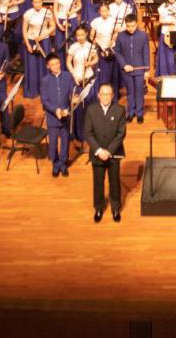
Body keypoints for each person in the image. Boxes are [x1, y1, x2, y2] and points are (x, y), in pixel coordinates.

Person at [85, 84, 127, 222]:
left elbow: (121, 134)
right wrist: (98, 150)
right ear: (98, 95)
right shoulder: (91, 110)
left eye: (108, 94)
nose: (105, 97)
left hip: (113, 154)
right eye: (103, 94)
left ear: (113, 96)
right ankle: (98, 208)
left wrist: (108, 151)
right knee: (98, 182)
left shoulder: (120, 110)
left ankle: (115, 208)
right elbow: (88, 133)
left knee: (114, 182)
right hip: (97, 154)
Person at [40, 53, 75, 177]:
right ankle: (55, 165)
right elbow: (44, 100)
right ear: (48, 66)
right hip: (52, 117)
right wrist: (55, 110)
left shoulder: (68, 76)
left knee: (65, 142)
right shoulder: (45, 81)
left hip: (65, 115)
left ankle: (63, 164)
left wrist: (75, 98)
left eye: (57, 63)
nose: (56, 66)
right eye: (53, 65)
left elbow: (72, 91)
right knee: (53, 144)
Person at [66, 25, 99, 143]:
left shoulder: (91, 46)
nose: (80, 37)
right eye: (78, 35)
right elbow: (68, 62)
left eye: (82, 35)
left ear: (86, 34)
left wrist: (90, 63)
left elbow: (96, 59)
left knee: (89, 108)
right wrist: (73, 74)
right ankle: (78, 134)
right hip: (77, 79)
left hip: (88, 79)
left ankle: (90, 134)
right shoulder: (73, 47)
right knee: (78, 108)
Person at [114, 14, 149, 124]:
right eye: (128, 26)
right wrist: (124, 65)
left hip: (140, 68)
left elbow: (146, 52)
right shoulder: (121, 36)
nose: (130, 29)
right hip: (127, 70)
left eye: (133, 26)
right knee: (130, 91)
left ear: (136, 24)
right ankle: (130, 112)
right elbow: (117, 51)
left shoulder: (143, 35)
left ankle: (139, 113)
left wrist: (147, 69)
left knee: (139, 91)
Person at [22, 0, 55, 99]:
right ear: (32, 3)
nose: (37, 4)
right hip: (32, 41)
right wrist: (27, 44)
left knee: (44, 65)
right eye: (35, 2)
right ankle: (33, 90)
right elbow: (24, 30)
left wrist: (43, 35)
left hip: (44, 42)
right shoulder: (28, 13)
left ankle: (45, 90)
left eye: (39, 2)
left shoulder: (47, 12)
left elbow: (52, 26)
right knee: (32, 66)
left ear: (42, 2)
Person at [52, 0, 82, 67]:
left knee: (72, 43)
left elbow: (80, 6)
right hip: (61, 20)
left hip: (72, 19)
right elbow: (55, 9)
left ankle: (73, 65)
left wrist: (72, 11)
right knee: (60, 44)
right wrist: (58, 23)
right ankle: (62, 67)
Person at [90, 2, 119, 95]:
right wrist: (96, 43)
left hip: (111, 48)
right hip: (100, 48)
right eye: (102, 11)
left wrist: (113, 40)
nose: (104, 13)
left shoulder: (113, 20)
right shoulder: (96, 21)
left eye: (105, 11)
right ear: (99, 11)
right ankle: (101, 93)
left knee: (112, 72)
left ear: (108, 11)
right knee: (101, 72)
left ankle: (113, 94)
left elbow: (116, 33)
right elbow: (91, 35)